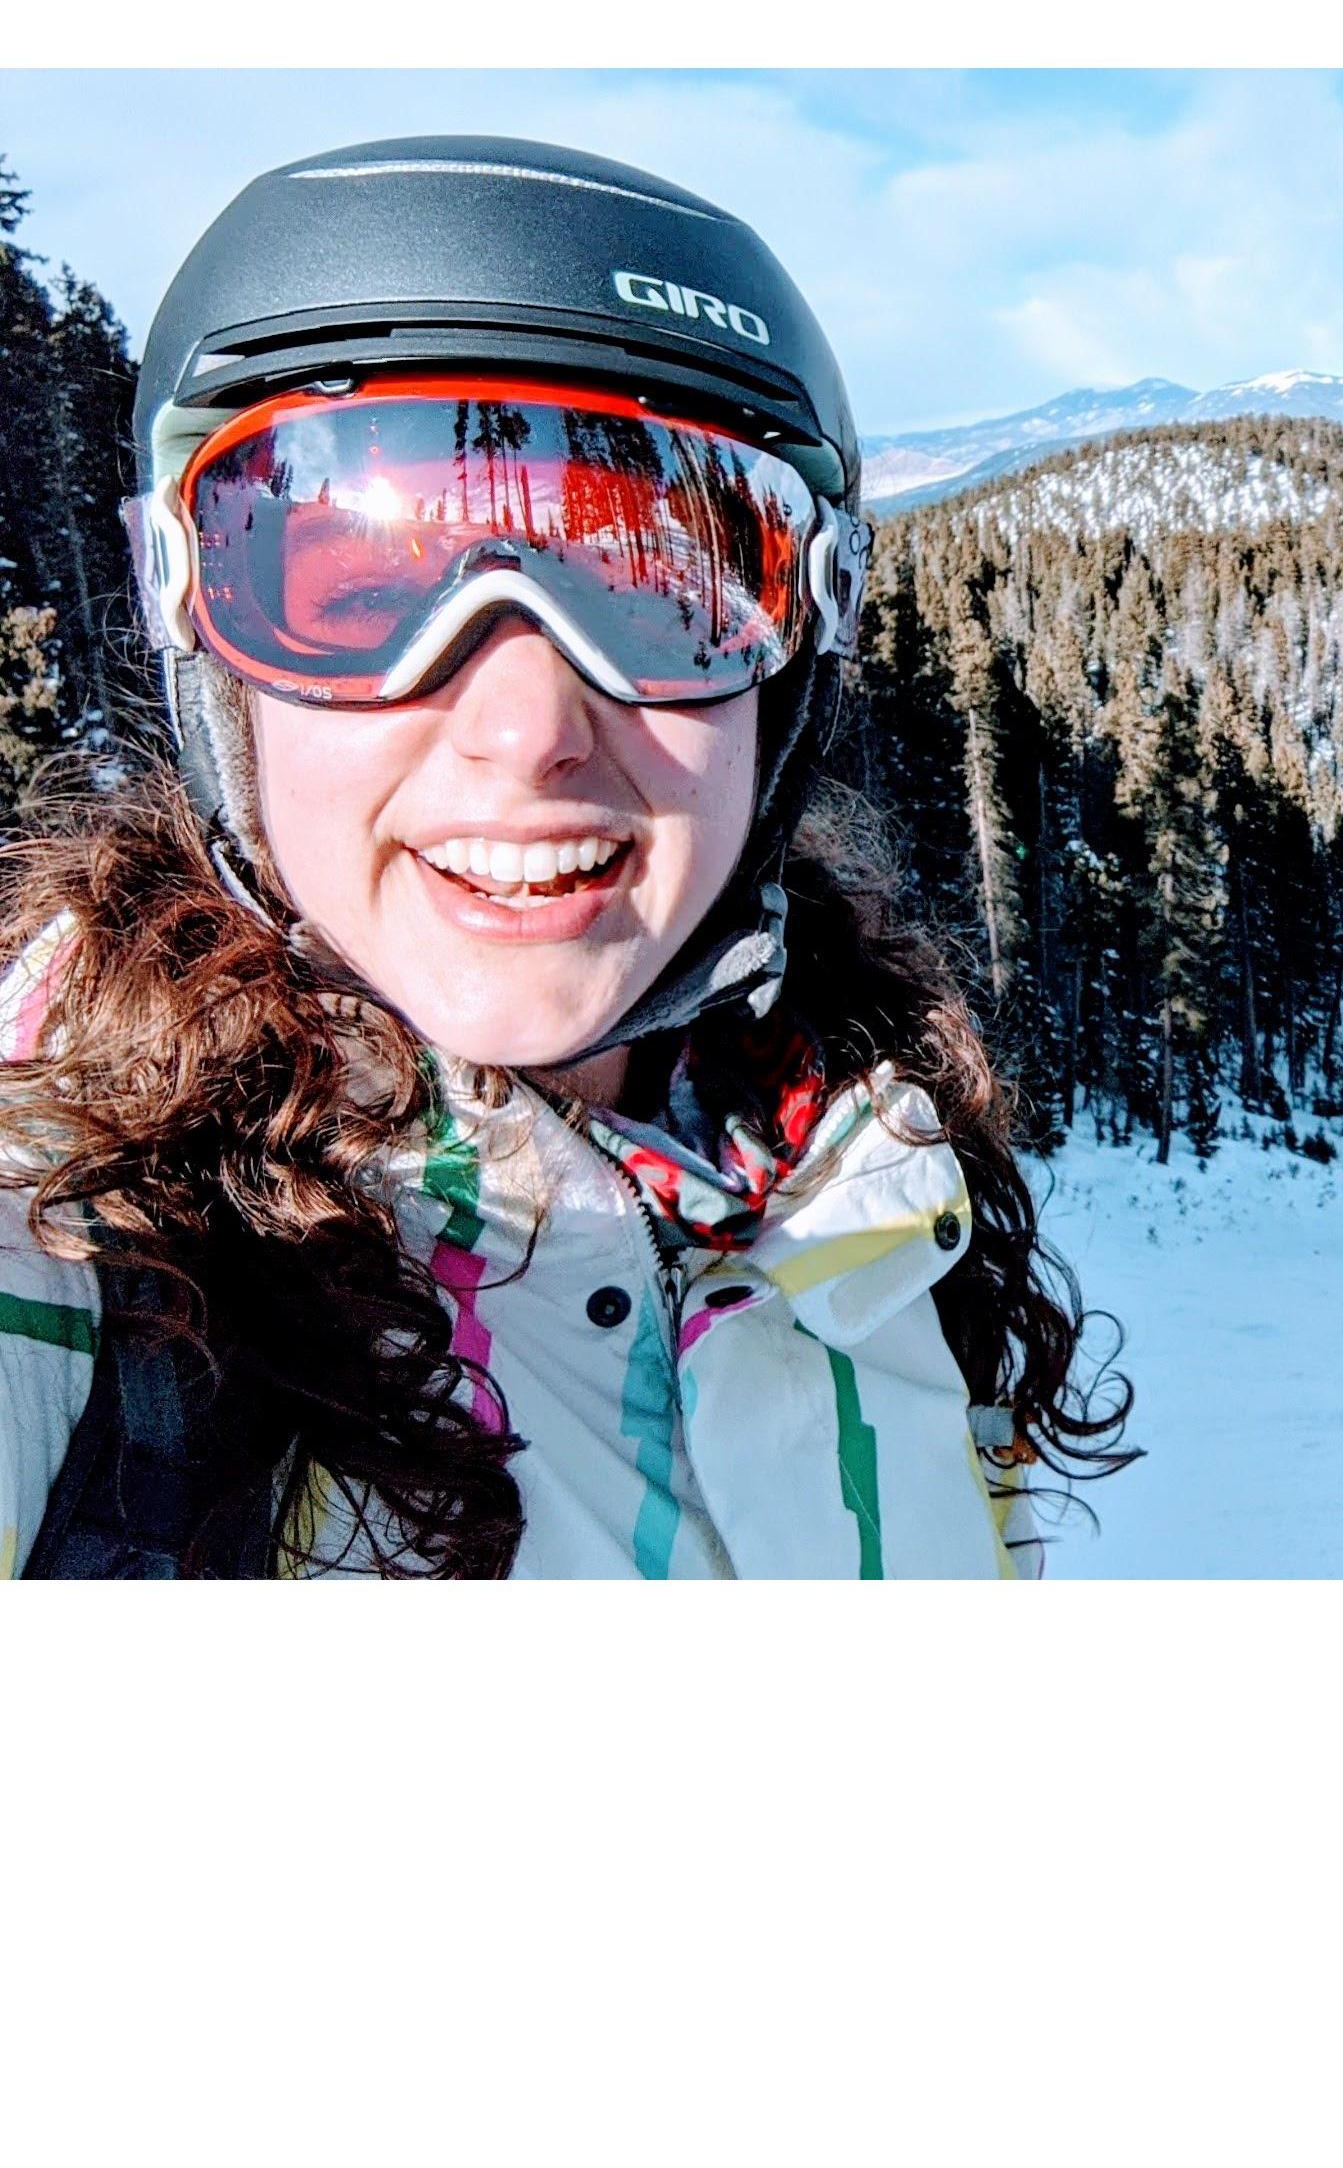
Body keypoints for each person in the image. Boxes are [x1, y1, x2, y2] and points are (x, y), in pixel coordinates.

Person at [0, 134, 1127, 1578]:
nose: (527, 726)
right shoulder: (94, 1267)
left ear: (787, 678)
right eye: (357, 594)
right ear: (203, 641)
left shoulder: (873, 1227)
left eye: (658, 599)